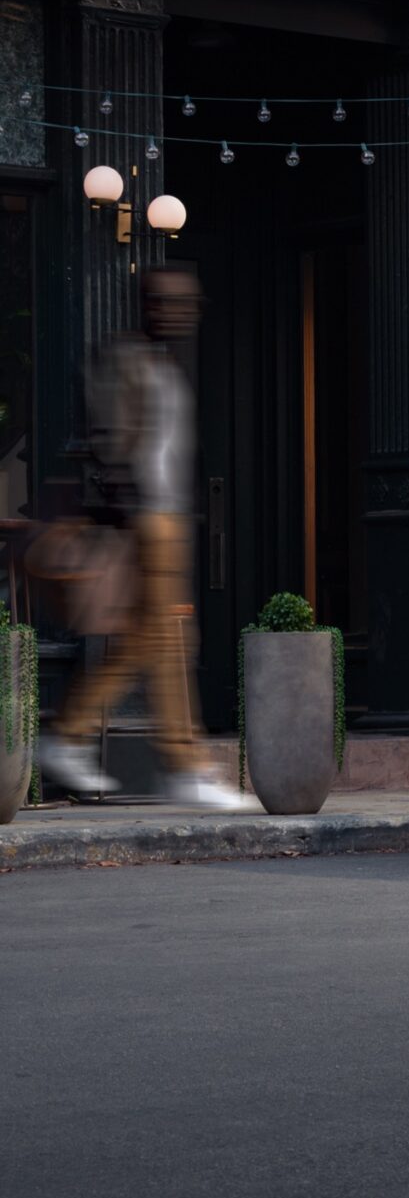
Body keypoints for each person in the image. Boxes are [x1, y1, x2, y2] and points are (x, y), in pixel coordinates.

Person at [37, 268, 253, 810]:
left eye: (188, 303)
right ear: (147, 306)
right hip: (146, 524)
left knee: (154, 644)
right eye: (169, 302)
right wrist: (129, 523)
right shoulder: (123, 359)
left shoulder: (166, 366)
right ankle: (184, 764)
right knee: (171, 644)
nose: (181, 312)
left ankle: (68, 736)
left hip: (168, 521)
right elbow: (111, 445)